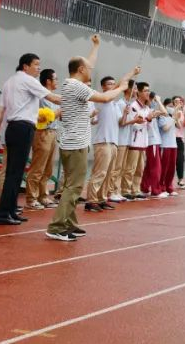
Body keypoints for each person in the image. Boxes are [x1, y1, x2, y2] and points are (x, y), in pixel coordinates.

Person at [46, 35, 137, 242]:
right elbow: (105, 97)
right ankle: (57, 226)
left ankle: (69, 223)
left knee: (73, 185)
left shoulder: (71, 83)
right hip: (75, 143)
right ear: (80, 70)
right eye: (88, 68)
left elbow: (89, 63)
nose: (91, 70)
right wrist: (122, 87)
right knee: (74, 187)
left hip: (73, 142)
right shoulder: (76, 86)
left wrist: (96, 46)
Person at [0, 53, 62, 225]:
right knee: (14, 174)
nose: (39, 68)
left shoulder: (9, 82)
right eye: (36, 64)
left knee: (13, 173)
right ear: (25, 66)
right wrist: (77, 98)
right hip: (23, 127)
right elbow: (53, 98)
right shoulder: (28, 80)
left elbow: (1, 111)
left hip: (12, 128)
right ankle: (3, 214)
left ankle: (9, 210)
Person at [25, 68, 60, 210]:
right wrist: (58, 112)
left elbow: (57, 115)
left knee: (48, 168)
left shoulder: (54, 97)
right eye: (55, 79)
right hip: (42, 133)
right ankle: (31, 198)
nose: (57, 81)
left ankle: (43, 196)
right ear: (48, 81)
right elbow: (44, 117)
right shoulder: (41, 96)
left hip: (53, 133)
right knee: (38, 167)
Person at [84, 76, 121, 212]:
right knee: (100, 172)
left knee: (109, 173)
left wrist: (127, 115)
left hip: (114, 141)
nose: (112, 86)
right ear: (103, 87)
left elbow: (121, 122)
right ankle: (91, 200)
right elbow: (94, 119)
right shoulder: (100, 99)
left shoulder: (115, 104)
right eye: (109, 84)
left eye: (113, 84)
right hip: (102, 141)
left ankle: (102, 198)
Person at [172, 96, 185, 189]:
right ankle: (167, 181)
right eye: (176, 101)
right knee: (171, 161)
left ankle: (180, 180)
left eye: (180, 101)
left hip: (180, 139)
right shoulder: (171, 112)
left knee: (180, 160)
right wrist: (176, 116)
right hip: (171, 139)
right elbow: (177, 125)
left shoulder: (183, 113)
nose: (178, 103)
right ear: (173, 103)